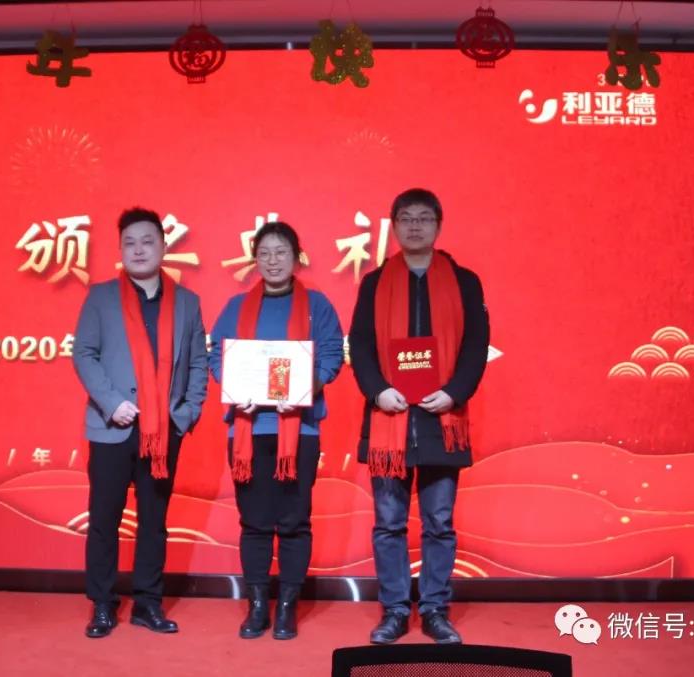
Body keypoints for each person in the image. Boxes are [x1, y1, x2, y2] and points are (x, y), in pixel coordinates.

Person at [348, 188, 490, 645]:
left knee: (439, 523)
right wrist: (378, 390)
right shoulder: (374, 283)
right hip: (389, 418)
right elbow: (361, 344)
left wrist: (454, 393)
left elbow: (476, 345)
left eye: (423, 218)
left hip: (440, 419)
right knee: (389, 523)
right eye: (406, 218)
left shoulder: (465, 282)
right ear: (393, 226)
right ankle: (394, 610)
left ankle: (434, 610)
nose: (414, 226)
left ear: (438, 226)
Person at [72, 207, 208, 639]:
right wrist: (112, 403)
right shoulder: (101, 297)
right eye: (129, 243)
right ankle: (102, 604)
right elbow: (84, 354)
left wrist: (184, 414)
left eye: (147, 241)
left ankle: (148, 603)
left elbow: (199, 363)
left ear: (164, 247)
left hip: (164, 432)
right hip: (112, 428)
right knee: (104, 519)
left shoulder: (187, 303)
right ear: (120, 250)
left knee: (154, 520)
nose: (138, 250)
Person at [209, 222, 344, 640]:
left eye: (281, 252)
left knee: (294, 521)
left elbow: (332, 356)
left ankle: (286, 607)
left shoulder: (317, 306)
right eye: (264, 253)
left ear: (296, 257)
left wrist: (306, 389)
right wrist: (235, 390)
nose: (272, 261)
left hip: (299, 432)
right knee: (254, 522)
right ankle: (256, 607)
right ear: (254, 259)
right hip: (248, 431)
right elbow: (217, 356)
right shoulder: (236, 307)